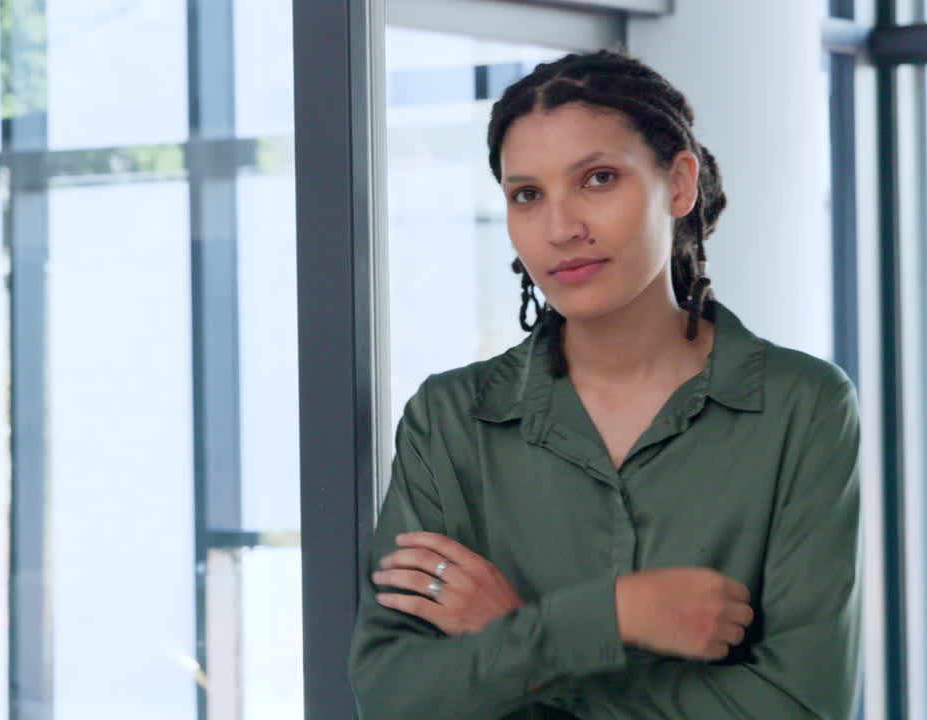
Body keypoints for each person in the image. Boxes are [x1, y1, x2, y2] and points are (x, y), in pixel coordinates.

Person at [348, 50, 860, 719]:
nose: (561, 229)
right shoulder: (450, 420)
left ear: (679, 184)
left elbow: (800, 707)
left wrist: (524, 639)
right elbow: (392, 698)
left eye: (597, 179)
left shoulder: (803, 406)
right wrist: (609, 617)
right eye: (527, 194)